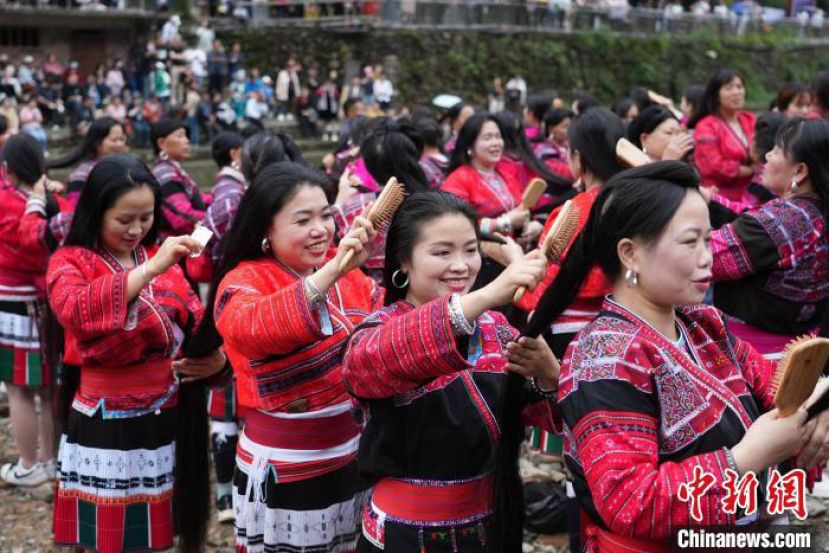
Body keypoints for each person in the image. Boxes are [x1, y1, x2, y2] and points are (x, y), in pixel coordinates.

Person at [526, 161, 829, 551]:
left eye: (709, 239)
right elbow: (629, 501)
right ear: (630, 254)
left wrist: (818, 406)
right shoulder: (601, 359)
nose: (707, 257)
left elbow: (775, 384)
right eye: (691, 242)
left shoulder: (704, 325)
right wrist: (746, 458)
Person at [342, 190, 559, 552]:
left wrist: (550, 375)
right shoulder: (377, 331)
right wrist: (491, 293)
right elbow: (362, 368)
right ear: (404, 262)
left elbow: (541, 417)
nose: (461, 265)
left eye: (471, 250)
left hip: (489, 523)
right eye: (442, 252)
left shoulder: (497, 329)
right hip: (403, 534)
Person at [193, 162, 381, 552]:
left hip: (352, 451)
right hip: (286, 463)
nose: (321, 229)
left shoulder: (350, 274)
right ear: (266, 228)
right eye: (303, 220)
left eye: (326, 215)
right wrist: (333, 269)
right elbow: (254, 328)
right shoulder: (242, 281)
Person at [47, 155, 226, 553]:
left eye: (146, 217)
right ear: (96, 212)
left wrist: (216, 360)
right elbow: (74, 310)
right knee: (107, 538)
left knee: (154, 534)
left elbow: (194, 322)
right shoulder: (70, 261)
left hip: (165, 413)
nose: (136, 228)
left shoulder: (158, 255)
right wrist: (149, 271)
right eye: (124, 219)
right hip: (105, 419)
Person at [707, 118, 828, 359]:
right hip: (801, 349)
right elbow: (747, 217)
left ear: (800, 170)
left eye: (776, 150)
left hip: (754, 358)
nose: (767, 157)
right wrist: (703, 199)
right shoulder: (814, 210)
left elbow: (705, 258)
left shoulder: (787, 219)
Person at [0, 134, 71, 487]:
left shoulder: (7, 200)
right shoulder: (51, 201)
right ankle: (52, 461)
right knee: (49, 387)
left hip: (12, 298)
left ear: (8, 170)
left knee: (19, 389)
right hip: (48, 297)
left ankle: (28, 464)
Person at [441, 113, 531, 240]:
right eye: (487, 138)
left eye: (498, 136)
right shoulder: (457, 180)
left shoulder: (505, 174)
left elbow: (519, 210)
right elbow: (458, 226)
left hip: (510, 253)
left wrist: (532, 225)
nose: (496, 143)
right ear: (470, 145)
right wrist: (502, 223)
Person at [690, 69, 757, 200]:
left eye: (739, 86)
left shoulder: (750, 119)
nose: (736, 92)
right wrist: (751, 170)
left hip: (752, 194)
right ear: (716, 95)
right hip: (720, 198)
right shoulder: (706, 125)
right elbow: (714, 166)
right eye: (729, 88)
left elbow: (764, 148)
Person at [151, 118, 212, 237]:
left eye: (186, 136)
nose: (187, 141)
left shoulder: (173, 169)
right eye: (180, 136)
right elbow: (182, 218)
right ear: (161, 143)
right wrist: (216, 216)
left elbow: (196, 197)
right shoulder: (165, 174)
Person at [46, 117, 127, 206]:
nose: (119, 144)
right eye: (114, 140)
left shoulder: (127, 167)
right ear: (97, 142)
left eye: (122, 139)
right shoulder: (82, 175)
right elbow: (74, 211)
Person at [627, 105, 694, 162]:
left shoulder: (687, 167)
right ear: (644, 139)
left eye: (678, 133)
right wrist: (667, 163)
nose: (677, 138)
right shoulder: (632, 170)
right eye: (669, 133)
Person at [534, 107, 574, 180]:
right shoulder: (545, 151)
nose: (569, 130)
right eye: (565, 127)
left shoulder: (568, 145)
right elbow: (564, 172)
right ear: (551, 128)